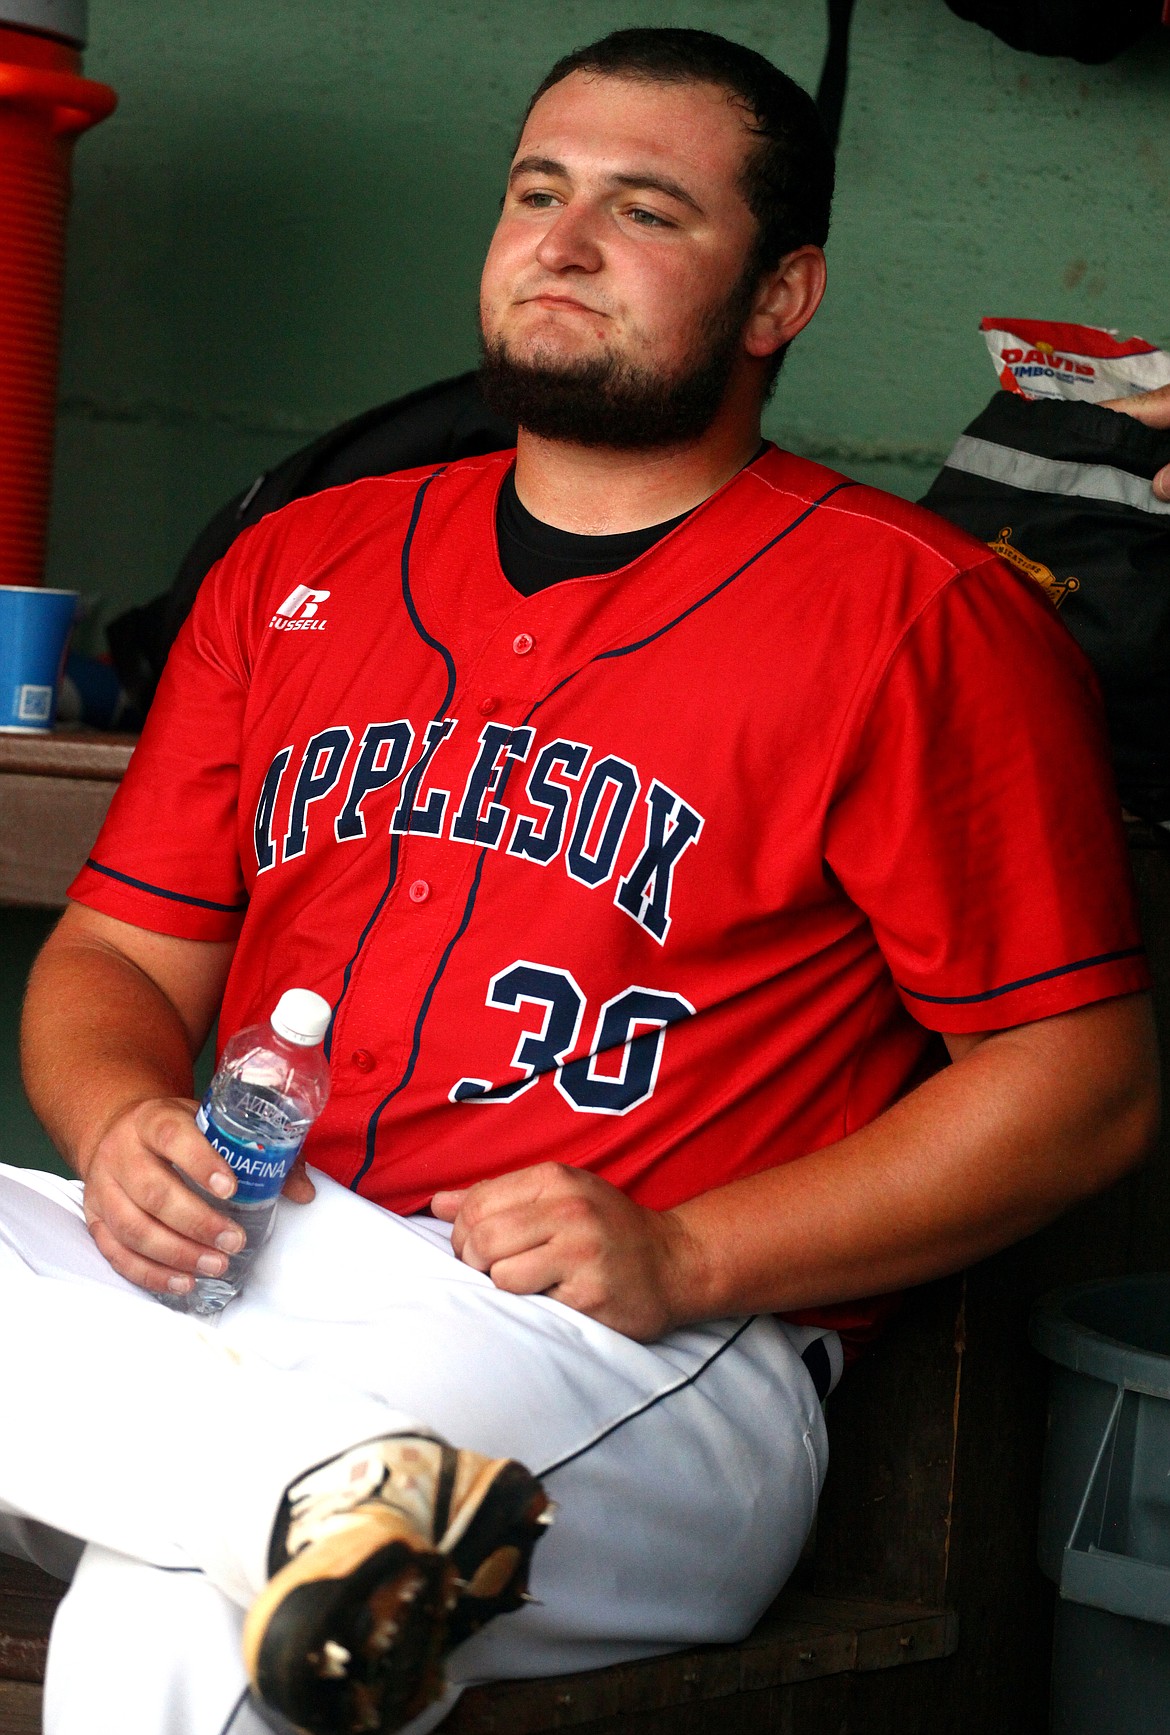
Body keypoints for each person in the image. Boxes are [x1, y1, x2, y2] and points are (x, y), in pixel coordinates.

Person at [4, 25, 1159, 1735]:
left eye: (645, 210)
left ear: (779, 297)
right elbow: (118, 954)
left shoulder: (911, 617)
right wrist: (114, 1129)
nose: (559, 240)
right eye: (536, 192)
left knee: (198, 1607)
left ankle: (367, 1504)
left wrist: (690, 1252)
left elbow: (1079, 1087)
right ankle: (341, 1507)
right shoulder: (299, 563)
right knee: (266, 1563)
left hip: (605, 1348)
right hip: (248, 1267)